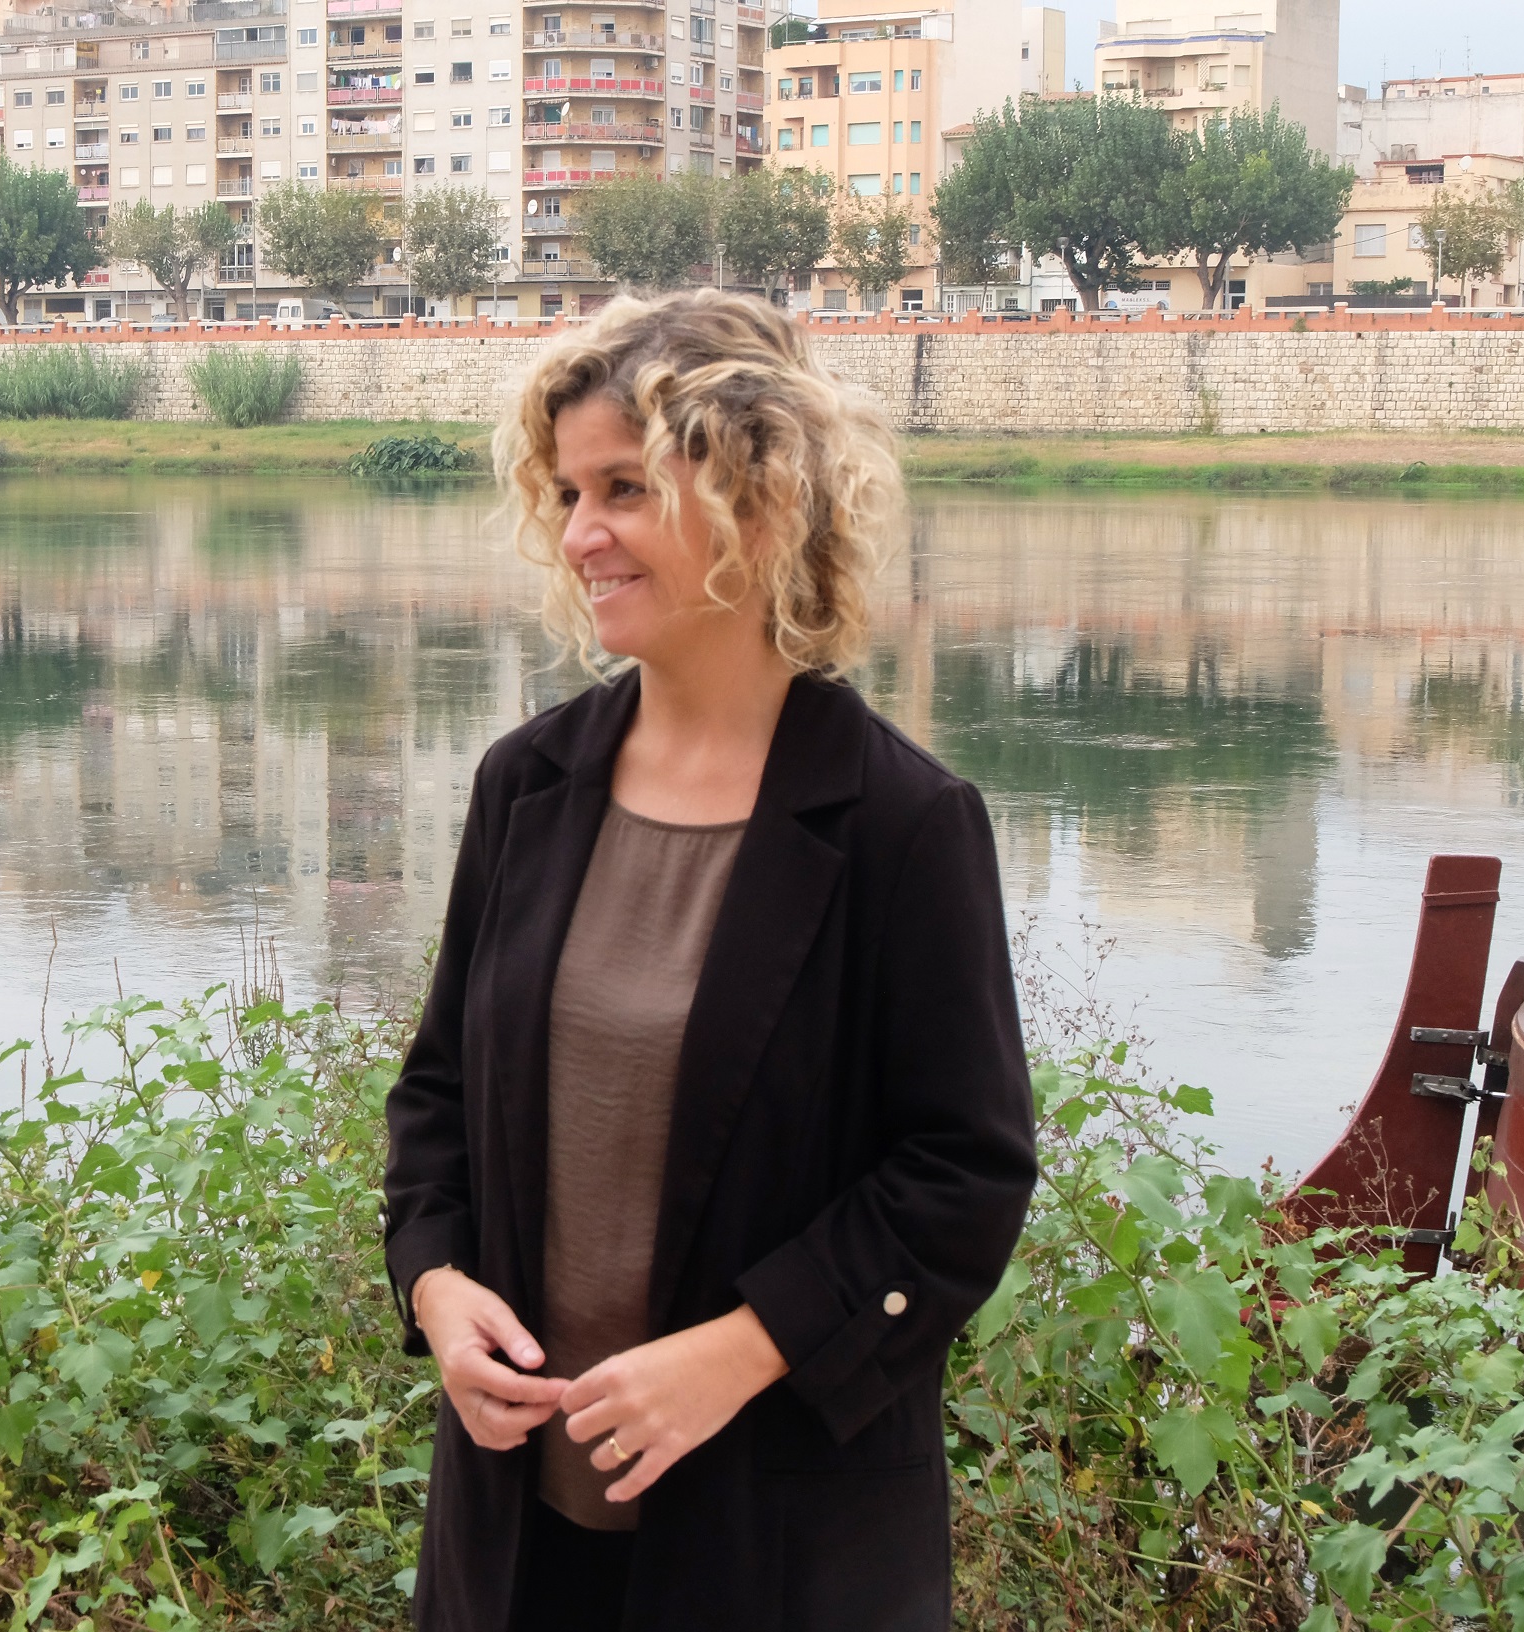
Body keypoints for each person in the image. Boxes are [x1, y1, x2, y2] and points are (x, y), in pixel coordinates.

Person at [382, 289, 1039, 1632]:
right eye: (568, 494)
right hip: (516, 1539)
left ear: (759, 496)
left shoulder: (901, 825)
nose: (580, 537)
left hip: (775, 1544)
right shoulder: (527, 784)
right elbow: (439, 1095)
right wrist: (438, 1292)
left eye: (623, 488)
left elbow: (964, 1176)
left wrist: (742, 1353)